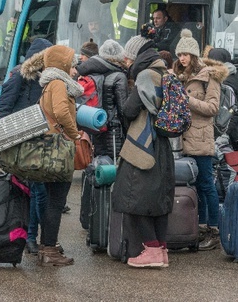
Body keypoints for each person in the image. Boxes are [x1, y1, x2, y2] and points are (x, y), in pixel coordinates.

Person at [111, 25, 175, 268]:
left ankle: (151, 250)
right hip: (163, 147)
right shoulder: (166, 73)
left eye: (128, 58)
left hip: (144, 145)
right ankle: (161, 249)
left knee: (133, 196)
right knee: (158, 201)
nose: (126, 63)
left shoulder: (146, 76)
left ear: (137, 56)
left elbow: (128, 109)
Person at [0, 38, 53, 255]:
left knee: (37, 190)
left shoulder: (45, 78)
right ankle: (30, 236)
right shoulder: (20, 75)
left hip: (39, 139)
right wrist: (6, 139)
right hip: (24, 141)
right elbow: (4, 107)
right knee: (36, 190)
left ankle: (32, 236)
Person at [173, 28, 227, 251]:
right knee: (193, 186)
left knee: (206, 184)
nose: (182, 58)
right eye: (179, 55)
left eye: (185, 54)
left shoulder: (209, 77)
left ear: (194, 55)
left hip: (201, 140)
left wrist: (187, 101)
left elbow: (213, 108)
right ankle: (199, 227)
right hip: (183, 140)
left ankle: (213, 230)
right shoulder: (178, 76)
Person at [36, 44, 82, 267]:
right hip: (59, 149)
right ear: (62, 64)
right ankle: (50, 250)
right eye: (72, 65)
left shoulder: (48, 84)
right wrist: (76, 135)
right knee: (56, 202)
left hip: (48, 147)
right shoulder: (58, 84)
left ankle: (46, 247)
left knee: (50, 201)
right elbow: (62, 112)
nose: (75, 70)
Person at [75, 39, 128, 159]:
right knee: (112, 164)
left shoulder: (91, 73)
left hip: (94, 124)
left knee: (96, 160)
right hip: (113, 130)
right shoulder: (118, 76)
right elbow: (123, 108)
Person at [207, 47, 238, 137]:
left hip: (225, 133)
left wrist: (224, 134)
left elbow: (234, 110)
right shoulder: (231, 77)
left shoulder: (225, 81)